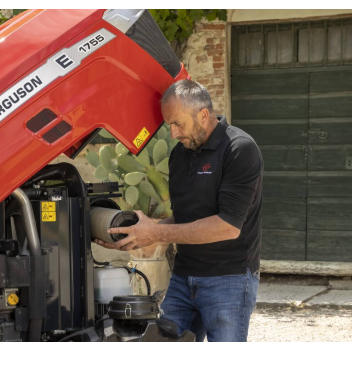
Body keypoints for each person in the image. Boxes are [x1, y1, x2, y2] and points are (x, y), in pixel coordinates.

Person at [95, 80, 263, 342]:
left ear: (203, 115)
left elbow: (227, 226)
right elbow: (183, 219)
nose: (173, 133)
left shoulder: (239, 149)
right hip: (184, 278)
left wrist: (156, 234)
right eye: (169, 125)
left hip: (228, 279)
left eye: (178, 124)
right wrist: (137, 235)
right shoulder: (179, 155)